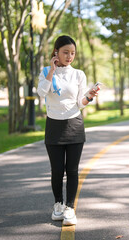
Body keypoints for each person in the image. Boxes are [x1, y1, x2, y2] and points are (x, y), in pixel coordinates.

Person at [37, 35, 99, 226]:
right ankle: (58, 205)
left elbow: (80, 103)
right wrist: (52, 71)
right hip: (54, 127)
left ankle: (70, 208)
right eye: (65, 52)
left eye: (72, 53)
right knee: (57, 170)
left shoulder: (78, 74)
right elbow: (41, 93)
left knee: (72, 170)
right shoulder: (46, 71)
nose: (69, 56)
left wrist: (89, 96)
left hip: (74, 125)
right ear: (56, 52)